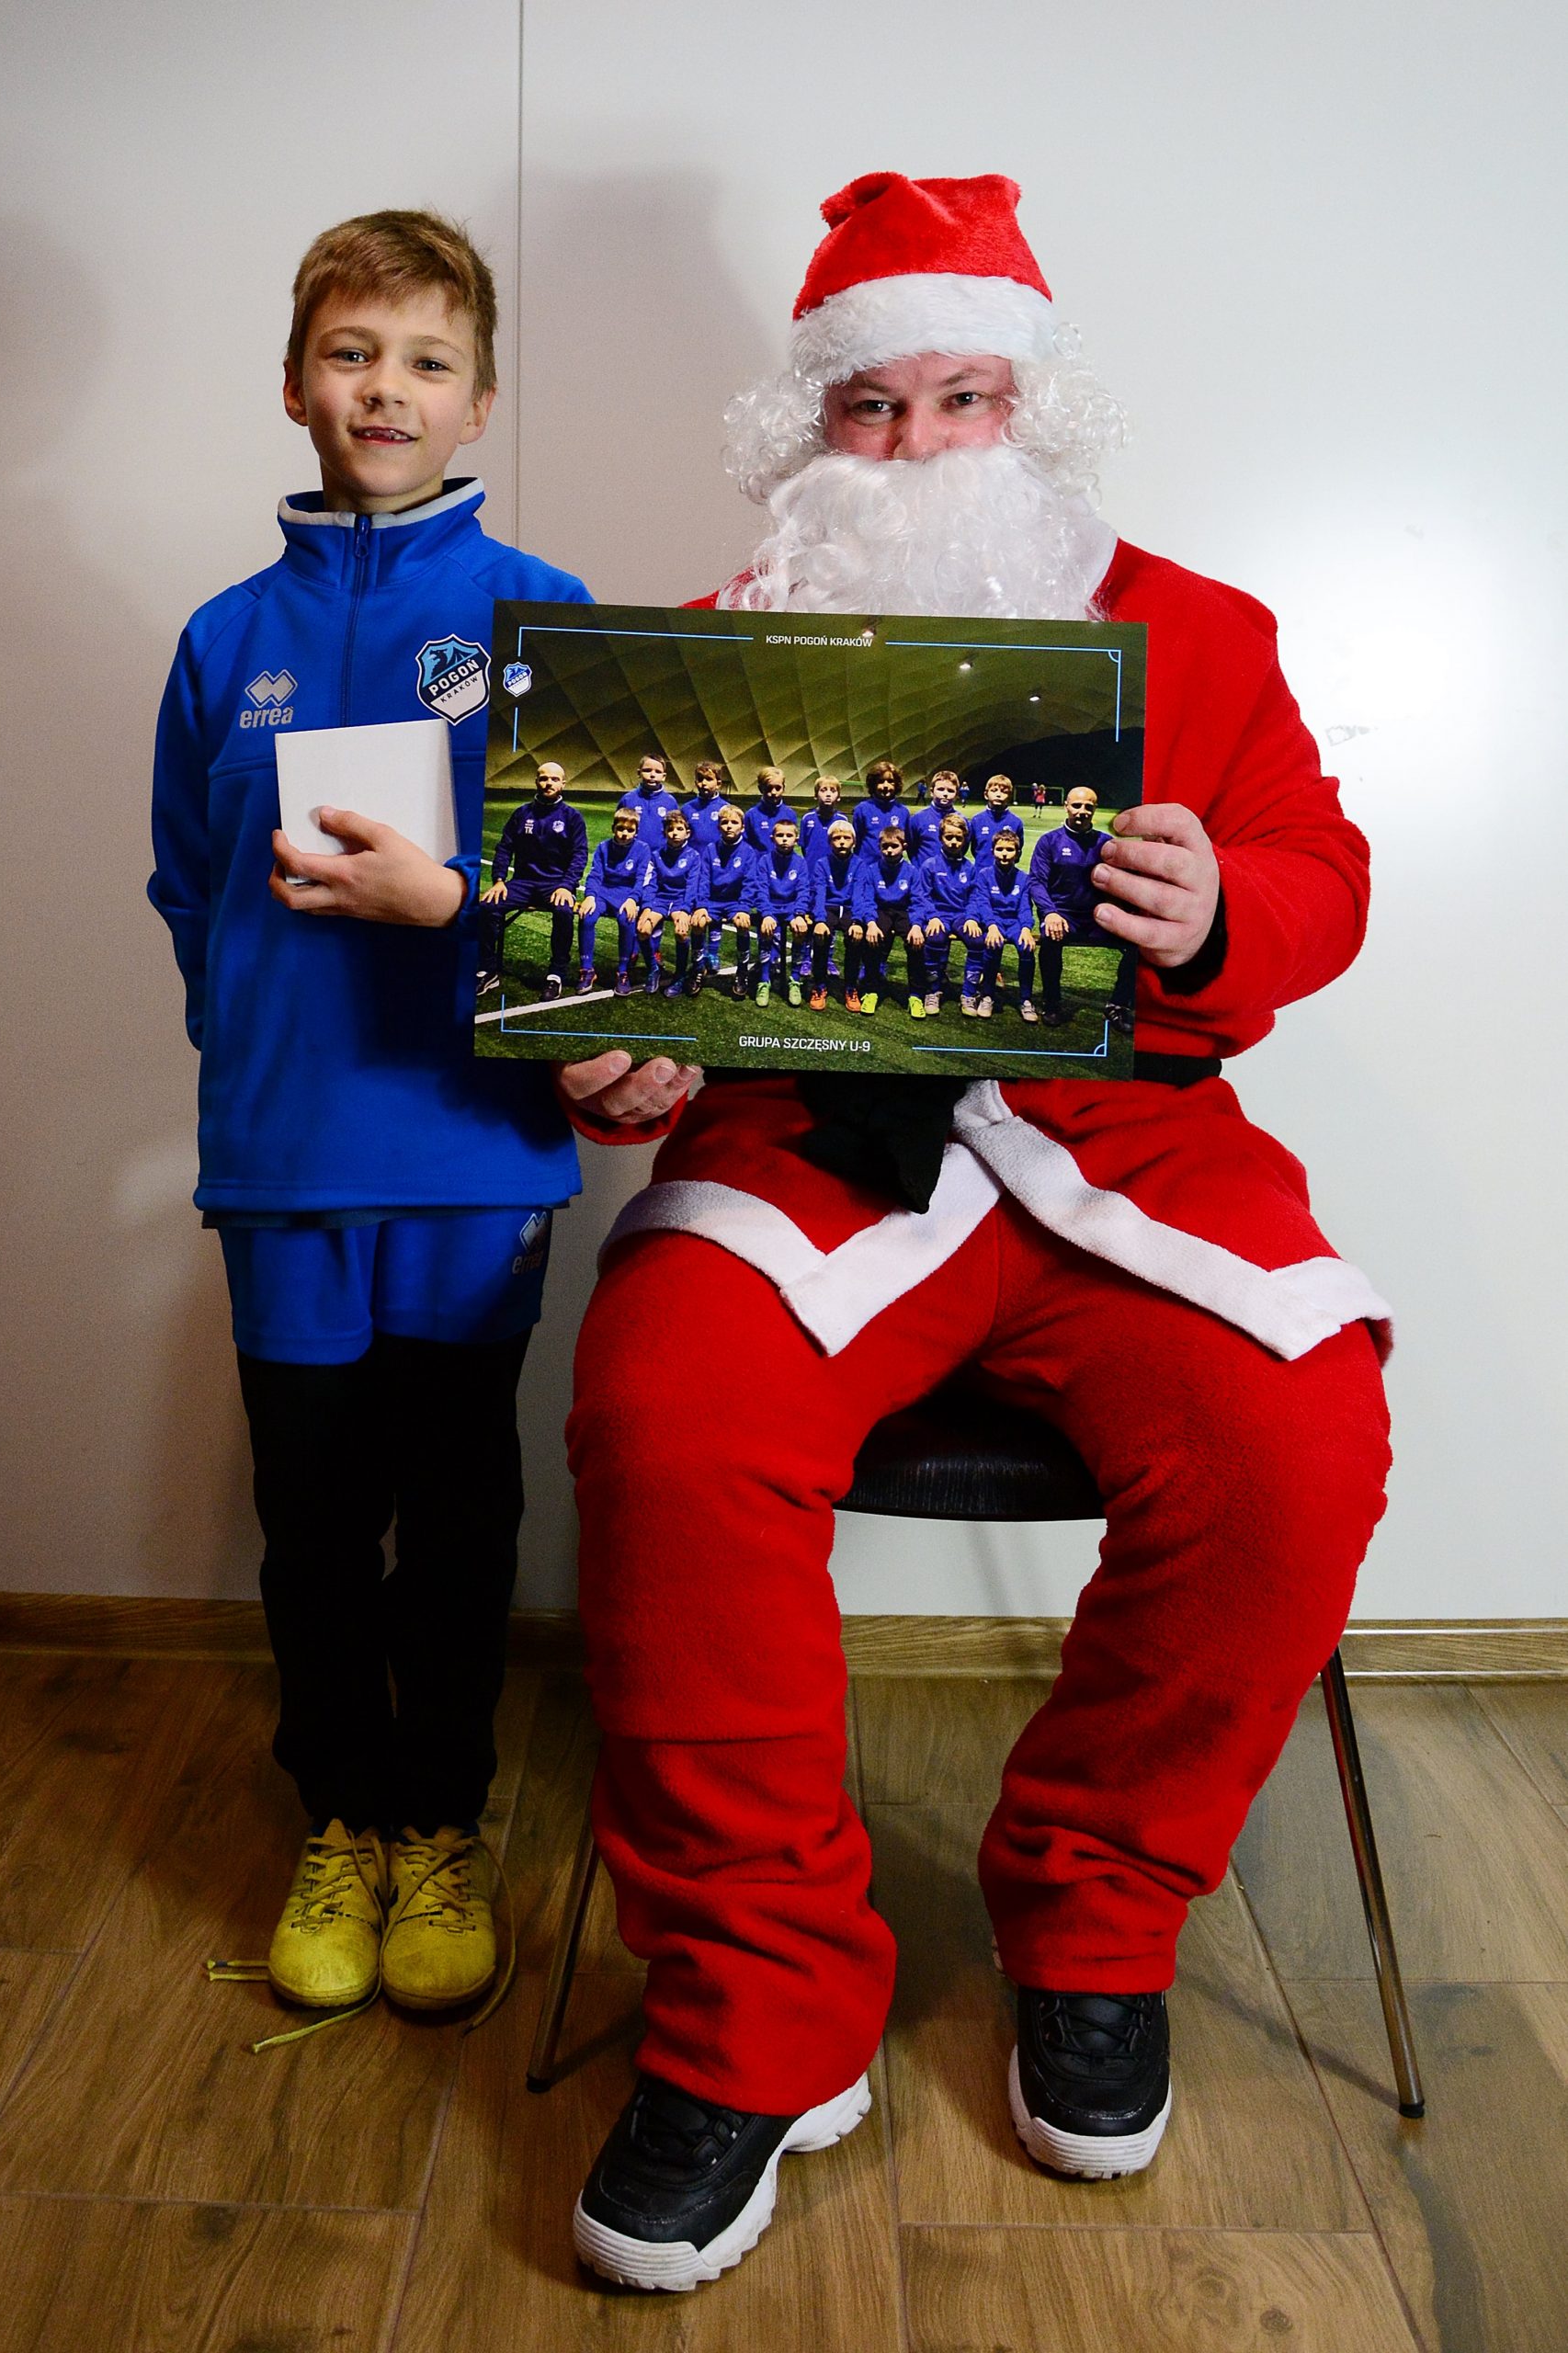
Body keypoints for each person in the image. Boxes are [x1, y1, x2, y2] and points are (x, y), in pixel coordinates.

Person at [563, 172, 1392, 2294]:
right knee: (661, 1412)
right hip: (812, 1145)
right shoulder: (714, 650)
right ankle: (755, 2013)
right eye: (873, 407)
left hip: (1132, 1147)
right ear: (811, 427)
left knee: (1298, 1433)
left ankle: (1096, 1914)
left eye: (962, 399)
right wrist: (620, 1062)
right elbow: (632, 982)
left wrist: (1225, 904)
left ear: (1031, 409)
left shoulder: (1205, 630)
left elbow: (1317, 871)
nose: (919, 444)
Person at [148, 209, 687, 2026]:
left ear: (480, 402)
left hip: (469, 1155)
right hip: (283, 1166)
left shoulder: (541, 619)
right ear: (295, 383)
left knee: (456, 1515)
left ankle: (443, 1824)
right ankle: (341, 1820)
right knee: (311, 1519)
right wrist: (248, 1055)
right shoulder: (222, 640)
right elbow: (185, 888)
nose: (386, 388)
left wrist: (456, 920)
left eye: (427, 360)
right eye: (352, 352)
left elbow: (599, 901)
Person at [1031, 783, 1137, 1033]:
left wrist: (1124, 911)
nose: (1082, 811)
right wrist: (1050, 912)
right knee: (1050, 939)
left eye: (1088, 807)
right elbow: (1036, 882)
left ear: (1095, 809)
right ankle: (1052, 1002)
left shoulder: (1106, 844)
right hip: (1062, 915)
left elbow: (1121, 882)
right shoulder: (1049, 842)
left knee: (1137, 943)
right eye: (1076, 805)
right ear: (1066, 806)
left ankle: (1118, 1004)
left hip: (1097, 917)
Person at [476, 760, 585, 998]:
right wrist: (499, 880)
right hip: (523, 883)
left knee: (564, 911)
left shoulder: (572, 817)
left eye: (554, 779)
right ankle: (488, 969)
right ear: (536, 782)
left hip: (555, 884)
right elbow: (505, 848)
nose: (548, 783)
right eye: (544, 778)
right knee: (487, 906)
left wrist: (567, 886)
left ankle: (556, 974)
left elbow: (579, 855)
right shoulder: (521, 813)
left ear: (563, 784)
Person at [911, 810, 986, 1016]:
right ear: (941, 838)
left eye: (958, 838)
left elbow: (974, 897)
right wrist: (932, 916)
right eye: (949, 837)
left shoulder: (970, 868)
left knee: (977, 941)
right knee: (935, 938)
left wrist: (972, 918)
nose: (954, 842)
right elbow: (922, 895)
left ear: (965, 840)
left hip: (961, 915)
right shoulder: (930, 865)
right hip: (939, 915)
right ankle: (933, 990)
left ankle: (968, 994)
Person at [575, 804, 653, 995]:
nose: (625, 833)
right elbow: (595, 875)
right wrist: (590, 896)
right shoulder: (604, 847)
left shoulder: (643, 849)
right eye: (620, 829)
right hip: (603, 892)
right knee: (587, 917)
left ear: (636, 832)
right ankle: (587, 969)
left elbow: (641, 879)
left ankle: (623, 971)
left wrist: (633, 899)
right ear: (613, 828)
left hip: (626, 895)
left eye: (630, 830)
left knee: (627, 919)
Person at [846, 824, 922, 1014]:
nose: (889, 850)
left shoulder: (912, 872)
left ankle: (916, 995)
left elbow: (918, 901)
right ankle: (871, 990)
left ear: (904, 847)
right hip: (881, 911)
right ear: (879, 847)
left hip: (903, 912)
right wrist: (871, 923)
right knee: (872, 940)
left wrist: (917, 925)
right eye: (885, 846)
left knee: (917, 943)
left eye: (894, 846)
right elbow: (867, 900)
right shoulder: (872, 870)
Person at [970, 824, 1038, 1019]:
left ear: (1018, 852)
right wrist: (991, 926)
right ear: (993, 851)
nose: (1005, 853)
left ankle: (1026, 999)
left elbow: (1025, 907)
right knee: (993, 944)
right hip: (995, 922)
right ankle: (987, 995)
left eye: (1010, 849)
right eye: (1000, 849)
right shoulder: (984, 875)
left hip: (1015, 923)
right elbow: (983, 903)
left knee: (1026, 948)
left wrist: (1026, 928)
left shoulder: (1023, 878)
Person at [641, 810, 708, 996]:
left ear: (688, 833)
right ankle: (653, 968)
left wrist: (686, 910)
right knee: (643, 930)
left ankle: (679, 975)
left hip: (680, 901)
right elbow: (651, 883)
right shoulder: (656, 855)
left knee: (681, 932)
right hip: (660, 900)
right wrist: (647, 907)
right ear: (664, 833)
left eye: (679, 829)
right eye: (670, 830)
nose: (675, 833)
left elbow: (692, 886)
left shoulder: (694, 856)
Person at [699, 803, 762, 995]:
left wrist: (744, 907)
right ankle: (697, 968)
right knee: (698, 922)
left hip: (735, 903)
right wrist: (701, 905)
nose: (729, 826)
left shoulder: (748, 852)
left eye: (734, 822)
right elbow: (703, 880)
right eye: (724, 822)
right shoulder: (710, 849)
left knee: (743, 924)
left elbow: (750, 883)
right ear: (718, 827)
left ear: (742, 827)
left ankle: (742, 972)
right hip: (713, 901)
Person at [754, 815, 813, 1006]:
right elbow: (761, 890)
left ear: (796, 839)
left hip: (791, 908)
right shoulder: (765, 861)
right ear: (772, 838)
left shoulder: (800, 862)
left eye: (789, 835)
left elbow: (803, 891)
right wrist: (766, 914)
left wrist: (799, 914)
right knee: (766, 931)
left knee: (800, 931)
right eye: (780, 835)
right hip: (771, 906)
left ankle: (794, 979)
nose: (785, 839)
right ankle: (764, 980)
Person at [805, 817, 865, 1009]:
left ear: (854, 841)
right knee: (821, 937)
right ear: (830, 842)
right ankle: (819, 985)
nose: (841, 842)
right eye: (836, 838)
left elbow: (859, 895)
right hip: (828, 907)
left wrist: (857, 921)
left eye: (846, 838)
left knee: (856, 939)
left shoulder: (859, 864)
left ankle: (851, 987)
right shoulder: (822, 864)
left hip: (848, 909)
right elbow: (819, 894)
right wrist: (819, 920)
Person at [849, 756, 911, 864]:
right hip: (867, 867)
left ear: (897, 784)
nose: (886, 785)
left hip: (893, 868)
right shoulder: (862, 809)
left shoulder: (903, 812)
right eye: (881, 781)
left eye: (890, 781)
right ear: (873, 784)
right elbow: (856, 841)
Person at [618, 754, 680, 847]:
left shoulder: (670, 802)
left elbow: (676, 829)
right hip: (634, 852)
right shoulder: (628, 799)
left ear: (664, 776)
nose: (652, 775)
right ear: (639, 773)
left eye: (658, 772)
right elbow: (619, 828)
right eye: (647, 770)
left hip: (661, 853)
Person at [968, 771, 1025, 868]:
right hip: (980, 872)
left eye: (1004, 792)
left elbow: (1018, 850)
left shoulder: (1016, 822)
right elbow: (974, 849)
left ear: (1010, 796)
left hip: (1005, 873)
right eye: (994, 791)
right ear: (986, 794)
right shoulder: (977, 820)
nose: (998, 795)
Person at [743, 765, 799, 856]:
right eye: (769, 788)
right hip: (759, 863)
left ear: (784, 788)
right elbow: (745, 845)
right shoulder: (751, 815)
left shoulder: (790, 814)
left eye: (778, 788)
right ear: (761, 789)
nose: (773, 792)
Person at [907, 768, 963, 858]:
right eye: (941, 789)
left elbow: (964, 846)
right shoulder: (918, 818)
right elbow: (911, 847)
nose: (945, 794)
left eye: (950, 791)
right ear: (931, 792)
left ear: (957, 795)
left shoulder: (962, 820)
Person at [678, 759, 733, 847]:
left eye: (709, 779)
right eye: (700, 779)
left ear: (718, 784)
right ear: (695, 783)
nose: (704, 783)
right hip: (694, 855)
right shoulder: (687, 808)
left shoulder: (726, 809)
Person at [798, 773, 849, 856]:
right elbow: (804, 846)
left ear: (839, 797)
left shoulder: (842, 820)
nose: (828, 794)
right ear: (816, 795)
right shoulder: (807, 818)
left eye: (833, 791)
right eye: (823, 790)